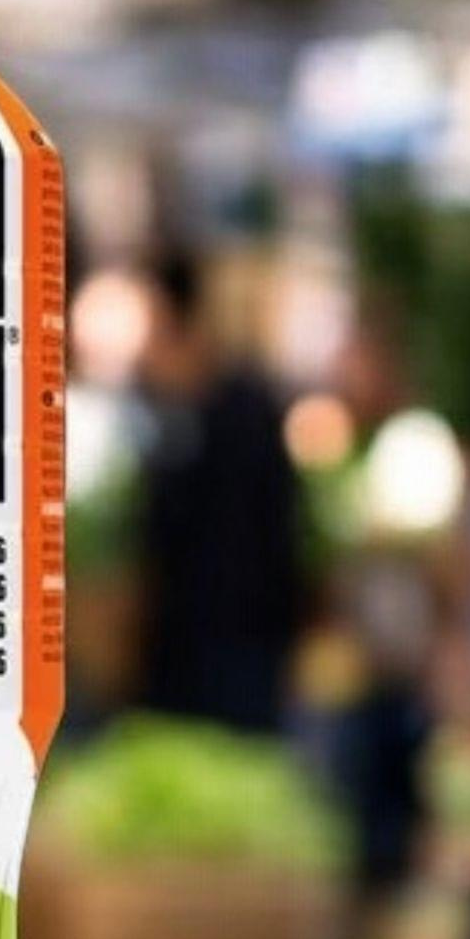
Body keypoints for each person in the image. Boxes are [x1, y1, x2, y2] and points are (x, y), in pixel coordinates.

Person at [132, 248, 306, 735]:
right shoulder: (167, 414)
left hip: (242, 651)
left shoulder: (246, 413)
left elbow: (279, 533)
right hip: (180, 654)